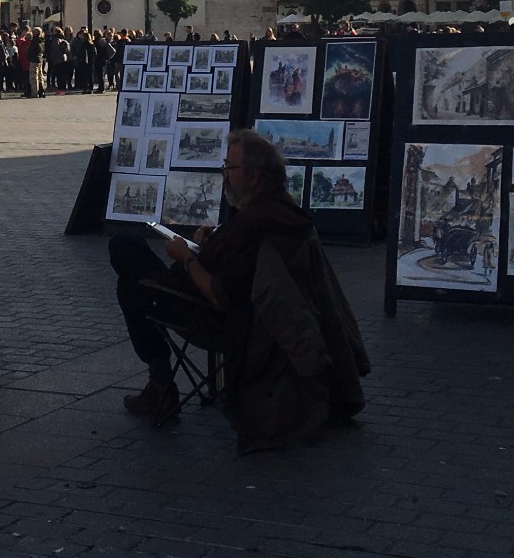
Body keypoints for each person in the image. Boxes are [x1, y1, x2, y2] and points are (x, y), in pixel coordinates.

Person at [107, 129, 367, 445]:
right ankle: (160, 385)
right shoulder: (280, 211)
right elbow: (237, 262)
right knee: (131, 272)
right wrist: (211, 243)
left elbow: (222, 294)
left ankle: (161, 384)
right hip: (242, 314)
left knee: (126, 259)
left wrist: (187, 259)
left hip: (217, 318)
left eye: (229, 168)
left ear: (254, 176)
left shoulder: (254, 223)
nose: (224, 176)